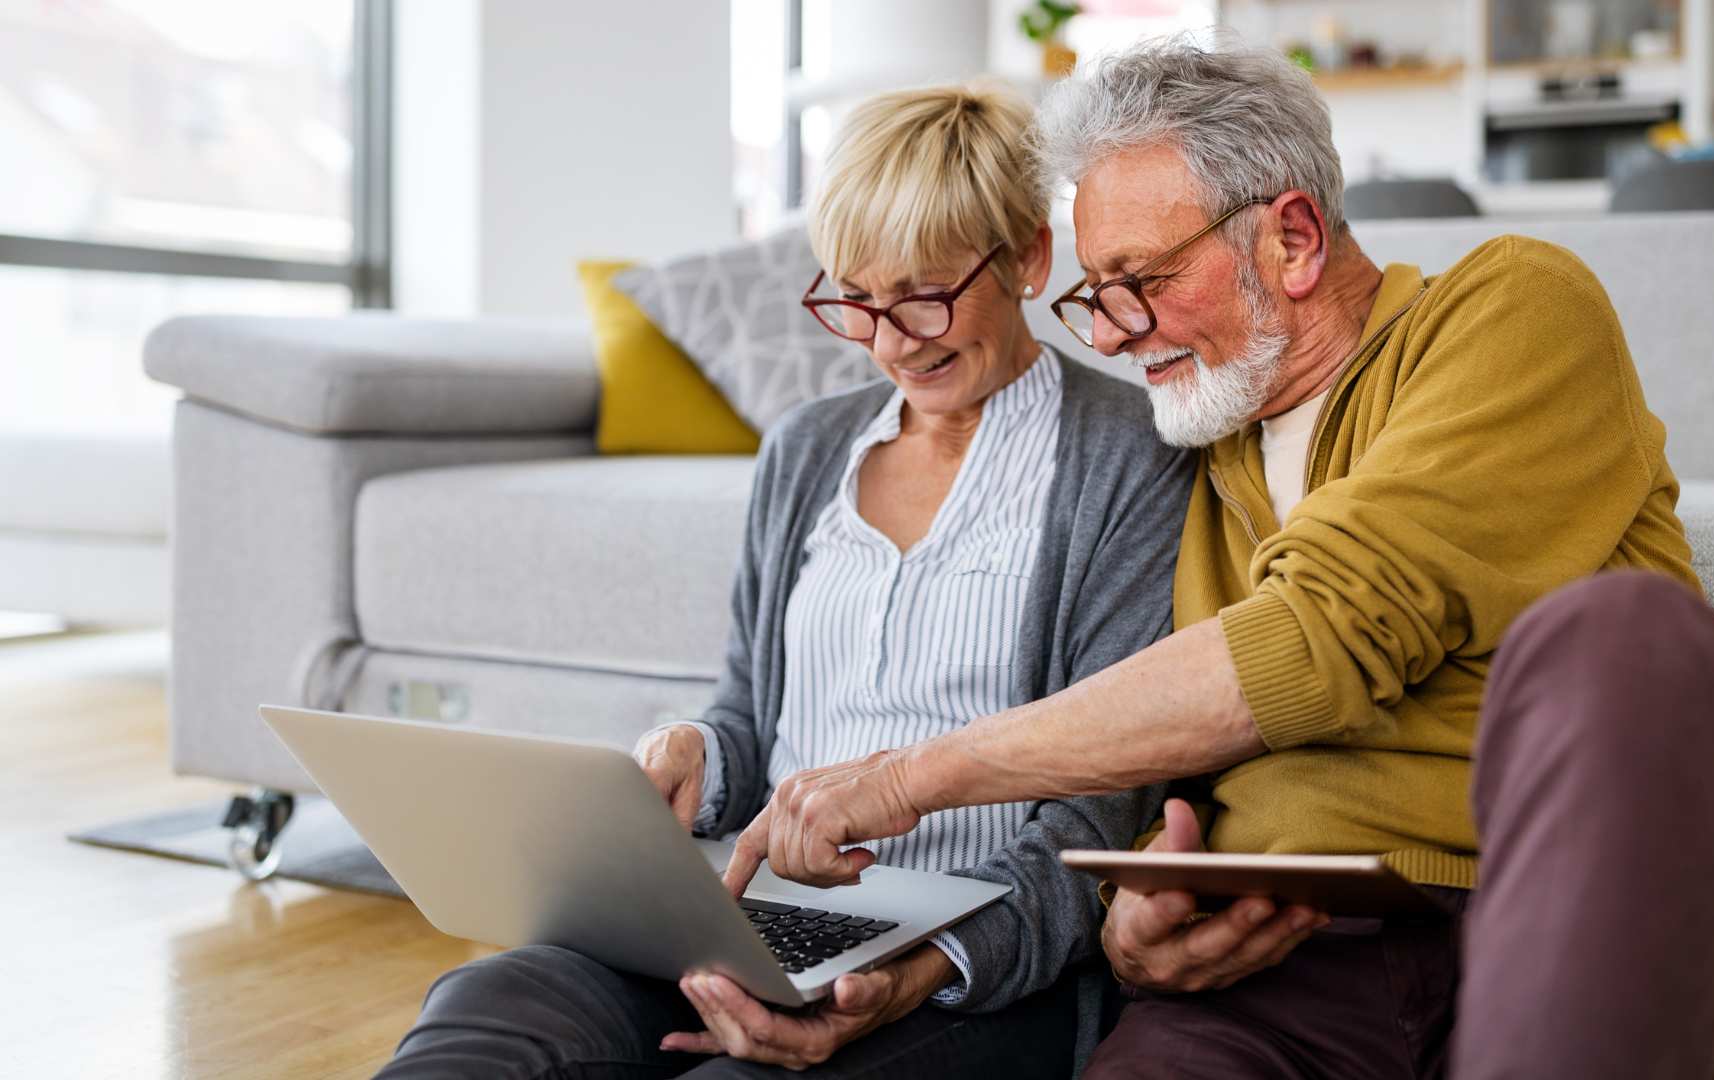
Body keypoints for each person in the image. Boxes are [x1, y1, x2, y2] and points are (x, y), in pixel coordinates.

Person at [719, 39, 1714, 1079]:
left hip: (1539, 915)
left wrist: (912, 779)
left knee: (1627, 639)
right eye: (1095, 295)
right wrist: (1129, 918)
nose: (1117, 335)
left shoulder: (1512, 307)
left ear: (1291, 238)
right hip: (1279, 970)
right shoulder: (1189, 446)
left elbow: (1322, 635)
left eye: (1139, 280)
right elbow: (1136, 754)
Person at [375, 82, 1194, 1078]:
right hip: (757, 920)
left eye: (927, 294)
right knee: (498, 1004)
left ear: (1026, 257)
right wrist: (695, 754)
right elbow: (749, 720)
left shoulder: (1130, 461)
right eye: (858, 299)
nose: (894, 340)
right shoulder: (808, 449)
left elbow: (1094, 817)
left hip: (973, 962)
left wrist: (917, 966)